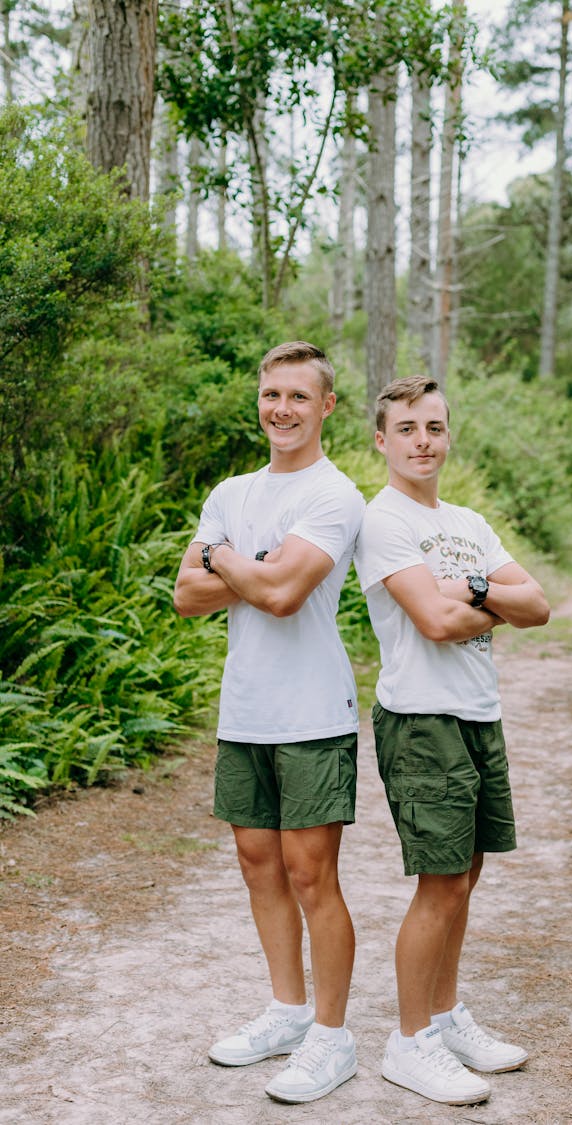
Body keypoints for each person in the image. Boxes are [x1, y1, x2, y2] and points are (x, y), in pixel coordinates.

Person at [173, 341, 365, 1105]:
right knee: (259, 864)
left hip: (314, 710)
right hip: (245, 707)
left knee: (312, 874)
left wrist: (222, 559)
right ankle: (287, 1012)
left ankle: (332, 1035)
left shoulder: (335, 494)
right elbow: (186, 595)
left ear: (326, 407)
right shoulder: (231, 491)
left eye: (297, 396)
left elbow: (286, 597)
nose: (281, 409)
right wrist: (249, 561)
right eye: (270, 394)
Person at [354, 375, 550, 1107]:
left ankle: (443, 1017)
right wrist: (487, 600)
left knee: (465, 879)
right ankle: (409, 1045)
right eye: (406, 429)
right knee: (437, 885)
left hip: (476, 713)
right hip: (421, 720)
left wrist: (466, 589)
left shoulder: (468, 520)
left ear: (447, 434)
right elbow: (433, 624)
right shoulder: (384, 521)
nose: (423, 441)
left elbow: (538, 603)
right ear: (382, 439)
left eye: (433, 427)